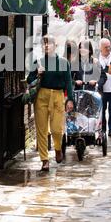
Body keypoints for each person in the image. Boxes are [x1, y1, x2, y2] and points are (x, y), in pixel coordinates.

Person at [27, 35, 74, 171]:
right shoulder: (38, 62)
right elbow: (30, 80)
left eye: (49, 43)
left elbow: (68, 82)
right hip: (41, 95)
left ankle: (58, 148)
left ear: (55, 46)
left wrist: (70, 99)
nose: (46, 46)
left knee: (56, 129)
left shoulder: (64, 62)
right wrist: (37, 74)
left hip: (58, 96)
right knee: (41, 129)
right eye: (44, 44)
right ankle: (44, 160)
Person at [98, 38, 111, 138]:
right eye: (106, 47)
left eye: (109, 46)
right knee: (102, 110)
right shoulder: (95, 58)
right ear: (100, 48)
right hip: (101, 89)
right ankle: (103, 129)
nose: (108, 49)